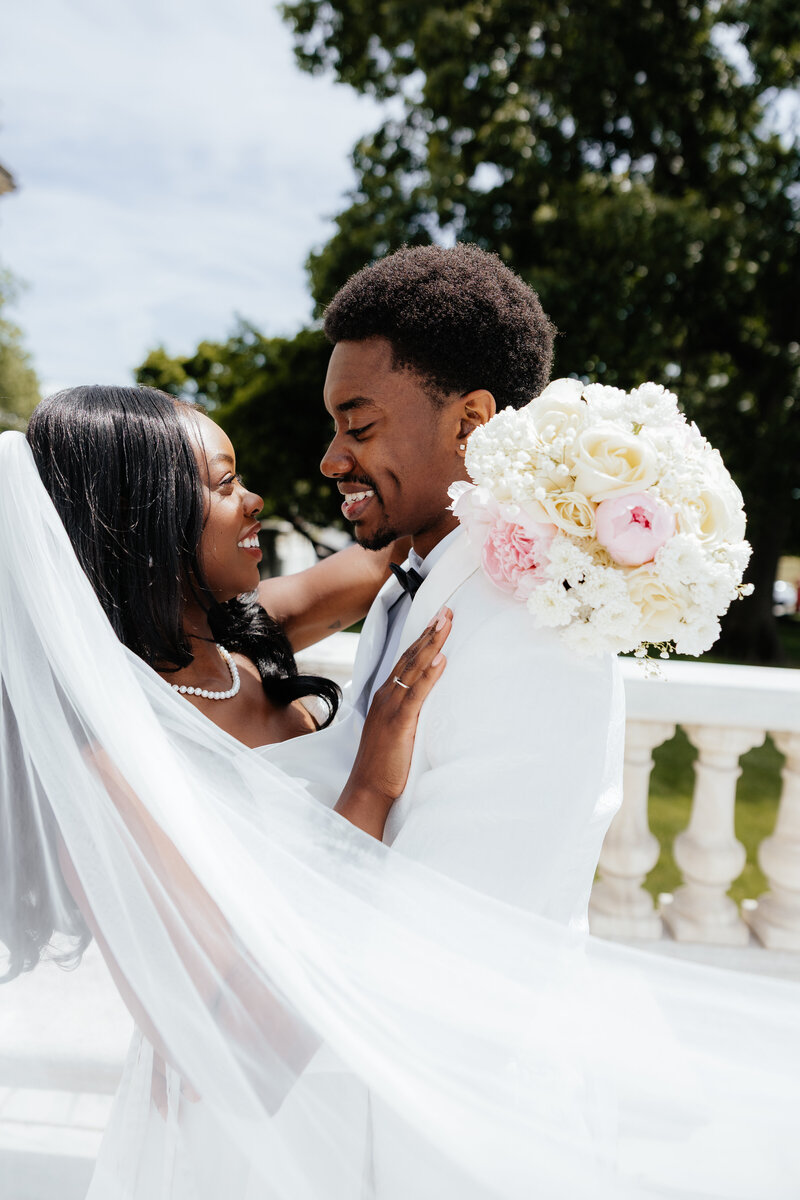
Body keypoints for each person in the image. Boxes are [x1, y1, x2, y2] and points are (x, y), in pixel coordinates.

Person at [1, 390, 799, 1200]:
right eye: (222, 483)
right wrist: (371, 787)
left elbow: (406, 537)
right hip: (249, 1146)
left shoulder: (242, 640)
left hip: (357, 1097)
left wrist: (591, 493)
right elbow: (231, 1055)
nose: (255, 500)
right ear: (142, 518)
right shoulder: (113, 764)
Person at [265, 242, 624, 929]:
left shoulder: (534, 632)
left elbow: (455, 933)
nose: (331, 457)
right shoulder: (424, 573)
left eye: (359, 425)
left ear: (471, 422)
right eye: (333, 426)